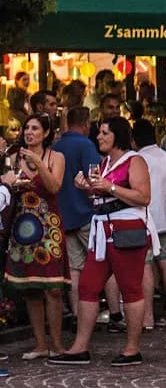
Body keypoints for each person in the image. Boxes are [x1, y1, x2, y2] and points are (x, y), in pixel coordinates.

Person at [53, 116, 154, 368]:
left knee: (130, 287)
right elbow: (102, 196)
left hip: (126, 229)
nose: (98, 137)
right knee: (88, 285)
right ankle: (80, 346)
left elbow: (143, 196)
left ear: (117, 135)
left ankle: (132, 349)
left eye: (104, 133)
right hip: (103, 228)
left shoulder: (135, 160)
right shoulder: (105, 162)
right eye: (99, 132)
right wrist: (87, 189)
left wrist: (109, 187)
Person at [5, 114, 69, 360]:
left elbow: (54, 187)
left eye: (35, 128)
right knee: (30, 287)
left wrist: (38, 163)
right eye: (26, 128)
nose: (29, 132)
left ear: (46, 132)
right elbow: (7, 183)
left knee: (53, 287)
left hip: (49, 226)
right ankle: (40, 344)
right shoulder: (13, 157)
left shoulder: (56, 157)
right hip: (22, 227)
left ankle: (57, 344)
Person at [51, 106, 101, 318]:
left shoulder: (56, 146)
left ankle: (78, 313)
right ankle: (115, 313)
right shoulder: (86, 144)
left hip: (64, 214)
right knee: (102, 261)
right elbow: (96, 177)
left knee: (74, 268)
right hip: (86, 212)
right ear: (86, 123)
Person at [135, 118, 166, 330]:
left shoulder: (138, 159)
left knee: (146, 266)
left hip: (146, 219)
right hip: (165, 217)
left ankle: (148, 317)